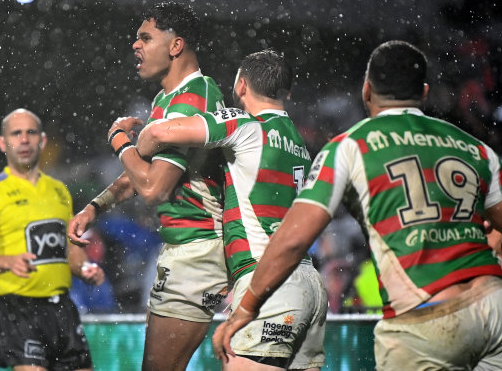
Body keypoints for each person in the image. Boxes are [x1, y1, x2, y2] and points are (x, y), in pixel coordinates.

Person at [212, 40, 502, 370]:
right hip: (493, 310)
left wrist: (248, 306)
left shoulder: (349, 148)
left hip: (426, 317)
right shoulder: (475, 148)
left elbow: (293, 240)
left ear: (367, 91)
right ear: (423, 92)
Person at [133, 49, 327, 370]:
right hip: (310, 285)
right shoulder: (298, 142)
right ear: (287, 92)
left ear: (240, 87)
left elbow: (158, 132)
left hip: (267, 281)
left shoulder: (246, 124)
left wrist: (130, 145)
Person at [67, 2, 228, 371]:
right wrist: (93, 209)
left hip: (198, 250)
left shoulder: (193, 97)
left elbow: (153, 189)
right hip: (183, 249)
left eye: (145, 37)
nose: (135, 46)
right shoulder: (164, 102)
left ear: (176, 46)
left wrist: (118, 141)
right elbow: (137, 176)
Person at [0, 109, 105, 371]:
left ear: (42, 141)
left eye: (30, 133)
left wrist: (84, 267)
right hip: (16, 307)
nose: (24, 139)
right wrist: (8, 262)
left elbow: (71, 251)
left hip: (61, 306)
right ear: (2, 143)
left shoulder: (59, 191)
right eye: (16, 133)